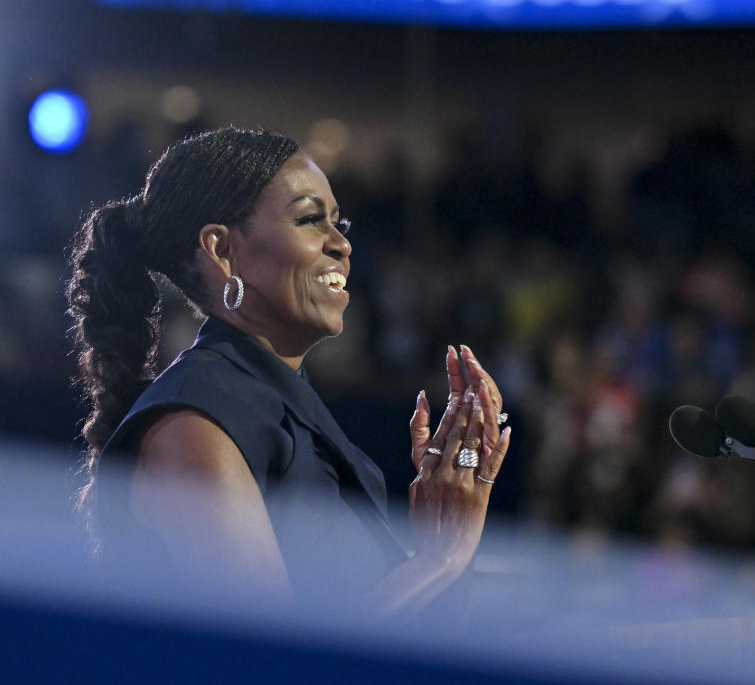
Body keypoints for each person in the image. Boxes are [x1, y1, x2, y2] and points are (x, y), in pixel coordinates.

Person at [66, 126, 510, 616]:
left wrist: (447, 528)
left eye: (339, 222)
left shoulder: (278, 404)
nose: (340, 244)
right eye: (309, 220)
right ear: (222, 250)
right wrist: (437, 560)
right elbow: (270, 662)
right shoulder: (193, 427)